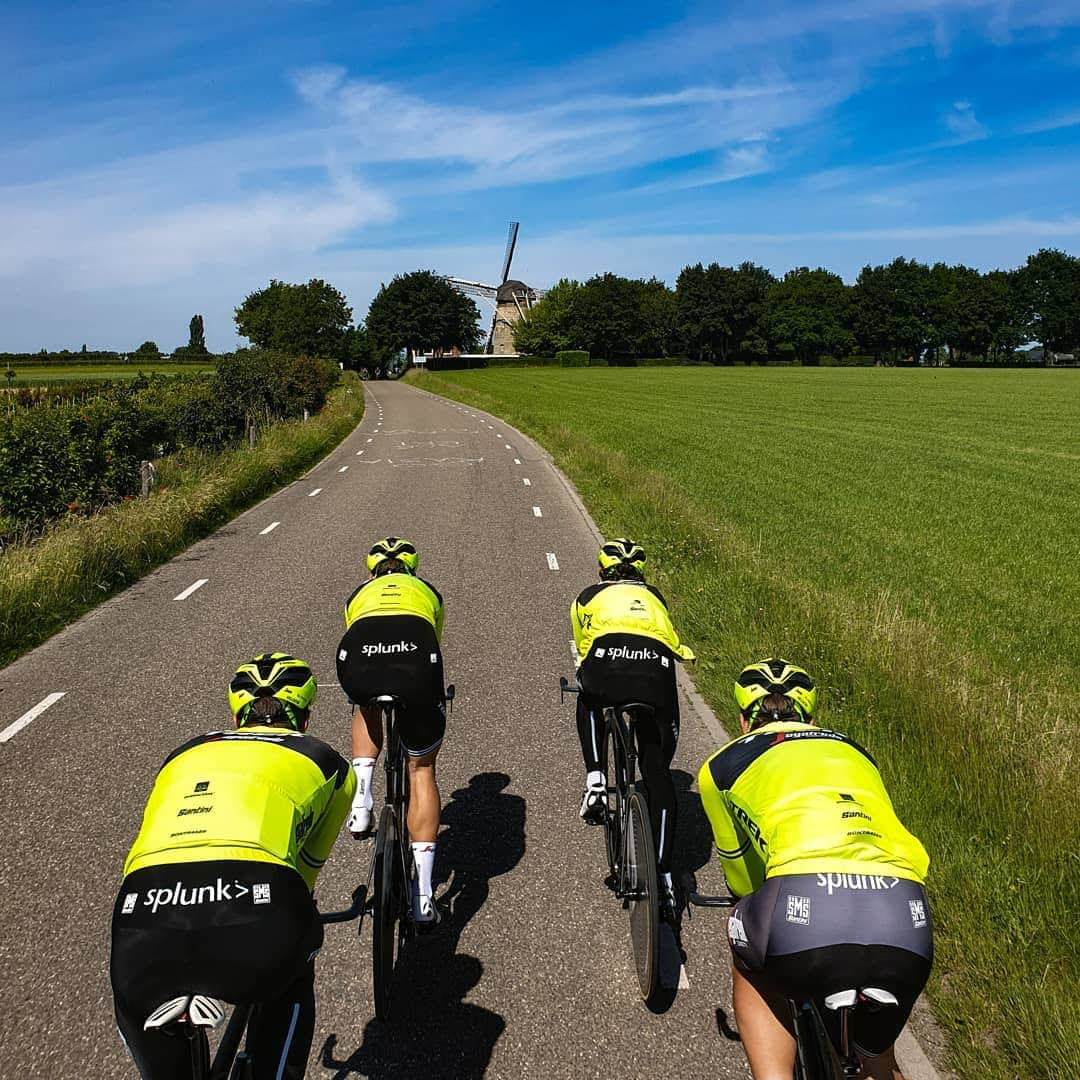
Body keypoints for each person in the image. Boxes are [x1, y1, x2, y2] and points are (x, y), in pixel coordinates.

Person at [110, 653, 355, 1080]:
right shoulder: (328, 762)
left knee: (138, 1002)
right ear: (307, 714)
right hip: (255, 911)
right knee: (292, 962)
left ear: (236, 714)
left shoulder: (182, 753)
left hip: (143, 917)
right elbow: (306, 871)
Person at [698, 659, 933, 1080]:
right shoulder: (857, 751)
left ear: (740, 720)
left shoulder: (721, 766)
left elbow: (741, 879)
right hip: (905, 915)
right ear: (811, 718)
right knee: (877, 1061)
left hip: (806, 914)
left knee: (751, 950)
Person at [570, 537, 695, 919]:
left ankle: (595, 780)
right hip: (654, 673)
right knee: (657, 776)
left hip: (607, 664)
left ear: (602, 572)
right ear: (641, 573)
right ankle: (664, 875)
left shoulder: (587, 596)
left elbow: (583, 647)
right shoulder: (656, 597)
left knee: (587, 694)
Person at [336, 536, 446, 924]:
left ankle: (362, 803)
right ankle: (423, 895)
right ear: (412, 571)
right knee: (422, 769)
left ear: (371, 572)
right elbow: (435, 638)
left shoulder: (357, 595)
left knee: (366, 702)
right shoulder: (427, 591)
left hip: (361, 656)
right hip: (415, 657)